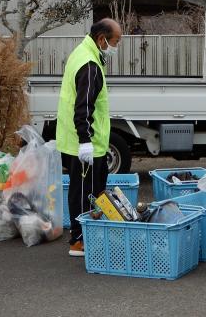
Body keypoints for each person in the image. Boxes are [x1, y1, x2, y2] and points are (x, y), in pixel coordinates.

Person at [56, 18, 122, 257]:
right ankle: (79, 240)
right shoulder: (90, 64)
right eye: (115, 42)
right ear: (102, 39)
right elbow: (83, 106)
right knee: (86, 192)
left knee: (83, 190)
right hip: (86, 144)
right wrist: (85, 140)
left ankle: (84, 235)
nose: (116, 47)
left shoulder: (82, 52)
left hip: (81, 141)